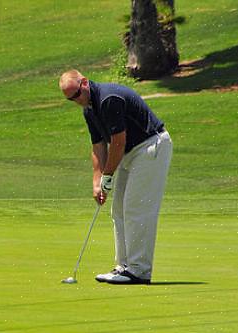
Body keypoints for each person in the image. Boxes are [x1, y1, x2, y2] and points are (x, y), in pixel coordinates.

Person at [59, 69, 172, 284]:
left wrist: (108, 176)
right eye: (70, 99)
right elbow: (98, 146)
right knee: (118, 209)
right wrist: (97, 182)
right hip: (131, 153)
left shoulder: (108, 99)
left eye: (76, 94)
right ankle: (124, 266)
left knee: (136, 208)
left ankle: (139, 270)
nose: (76, 101)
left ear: (84, 82)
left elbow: (118, 142)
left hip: (150, 146)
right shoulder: (89, 110)